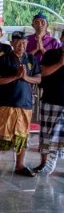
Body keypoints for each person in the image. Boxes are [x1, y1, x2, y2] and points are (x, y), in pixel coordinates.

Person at [0, 31, 42, 177]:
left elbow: (38, 79)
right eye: (17, 43)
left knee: (22, 135)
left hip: (25, 104)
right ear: (12, 44)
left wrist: (25, 77)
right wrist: (15, 76)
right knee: (0, 134)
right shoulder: (4, 59)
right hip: (5, 102)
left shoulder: (31, 59)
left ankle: (20, 165)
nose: (21, 46)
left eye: (23, 43)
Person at [35, 44, 63, 175]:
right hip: (51, 99)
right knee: (46, 133)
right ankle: (43, 163)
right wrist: (60, 63)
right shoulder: (51, 54)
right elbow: (43, 72)